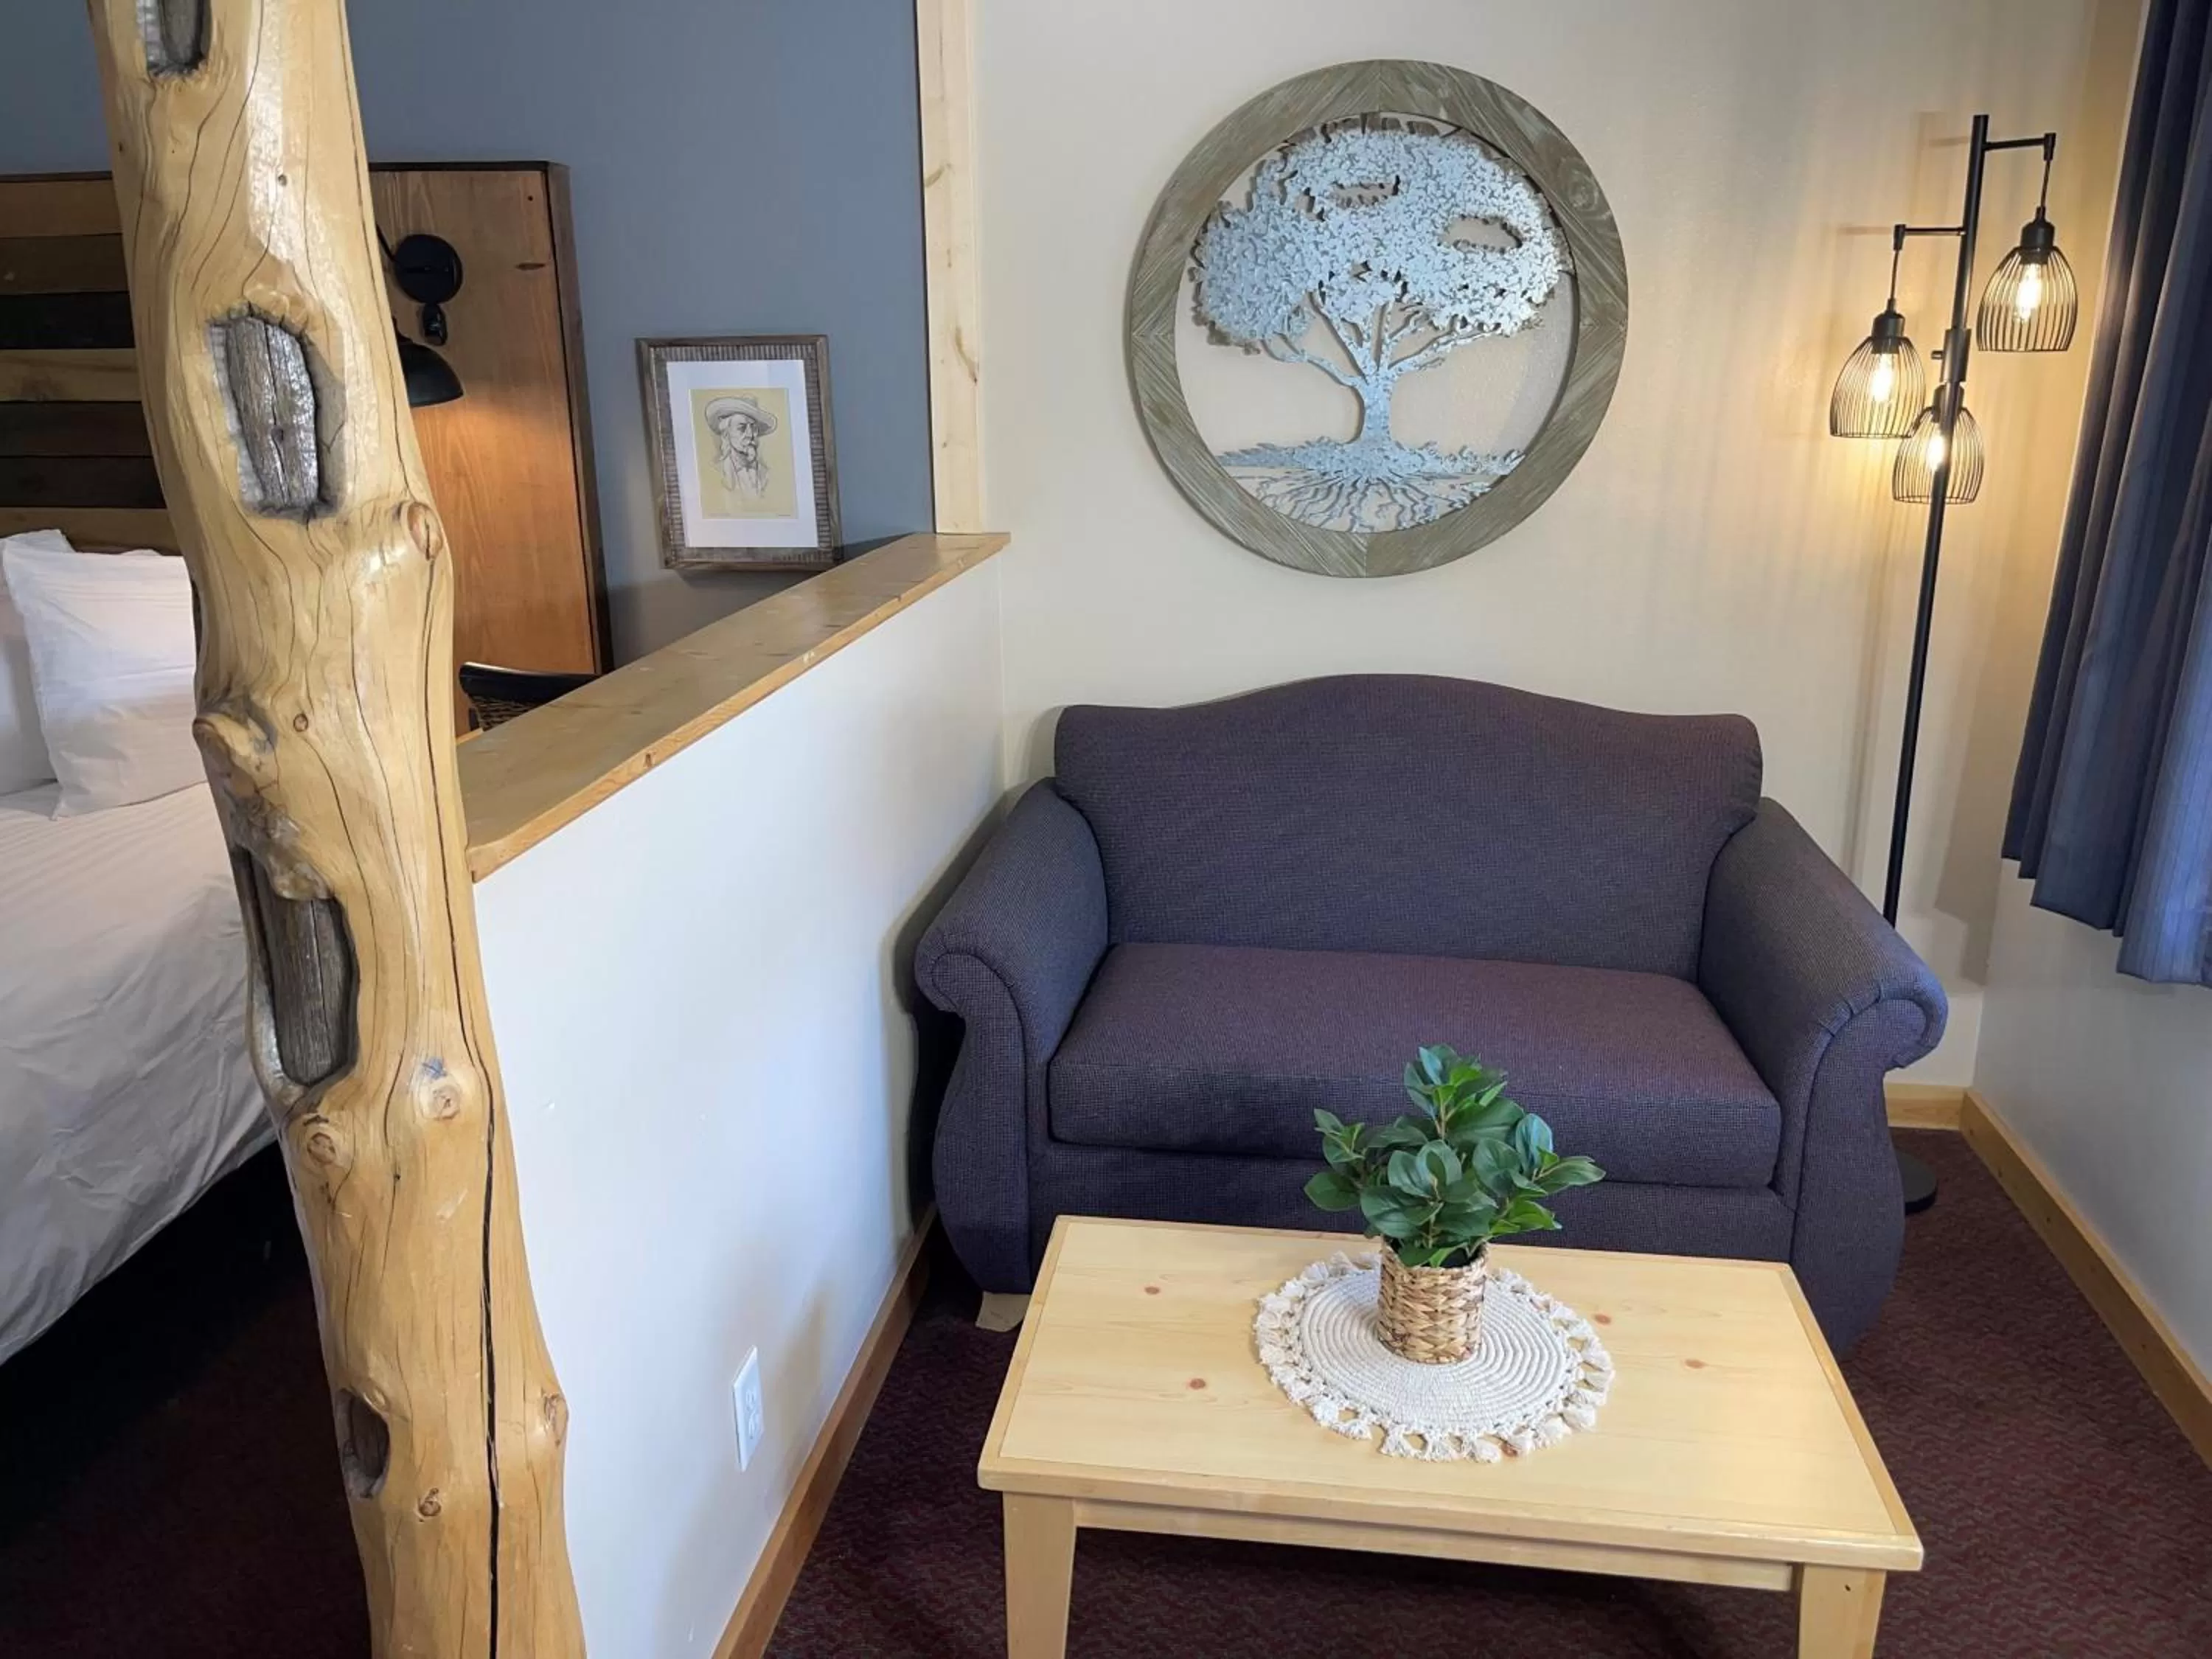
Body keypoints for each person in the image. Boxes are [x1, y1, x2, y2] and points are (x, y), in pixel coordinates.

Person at [702, 394, 776, 499]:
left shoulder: (768, 475)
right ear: (726, 434)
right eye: (742, 428)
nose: (750, 435)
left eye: (754, 428)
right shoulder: (715, 473)